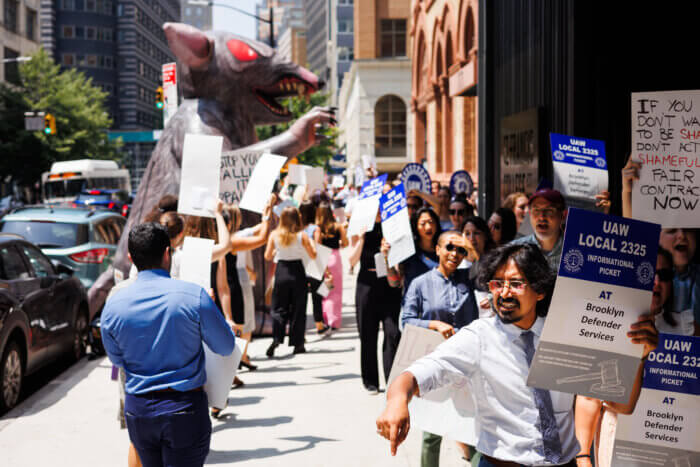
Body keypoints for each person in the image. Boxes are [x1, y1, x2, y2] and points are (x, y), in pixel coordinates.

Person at [376, 243, 658, 466]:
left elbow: (622, 405)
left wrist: (639, 357)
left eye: (515, 283)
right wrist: (397, 400)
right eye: (497, 283)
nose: (504, 292)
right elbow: (420, 372)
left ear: (539, 291)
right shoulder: (478, 338)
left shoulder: (568, 334)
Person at [101, 222, 236, 467]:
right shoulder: (193, 296)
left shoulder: (113, 305)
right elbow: (226, 346)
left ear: (131, 258)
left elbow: (117, 360)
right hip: (184, 409)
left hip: (139, 410)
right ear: (167, 253)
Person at [574, 246, 697, 467]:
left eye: (665, 276)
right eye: (649, 275)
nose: (657, 282)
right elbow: (589, 397)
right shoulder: (606, 323)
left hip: (672, 450)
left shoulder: (688, 328)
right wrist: (583, 457)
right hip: (621, 449)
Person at [400, 231, 479, 467]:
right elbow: (406, 320)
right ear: (437, 249)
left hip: (467, 362)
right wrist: (433, 324)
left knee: (471, 429)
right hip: (434, 362)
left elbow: (487, 269)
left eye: (460, 250)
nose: (455, 254)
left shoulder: (469, 278)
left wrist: (471, 249)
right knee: (431, 433)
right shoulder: (420, 283)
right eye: (449, 247)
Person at [621, 158, 700, 327]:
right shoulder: (646, 269)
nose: (682, 235)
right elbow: (632, 235)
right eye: (671, 230)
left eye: (689, 229)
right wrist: (627, 191)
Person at [349, 204, 402, 394]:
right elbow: (351, 260)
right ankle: (370, 381)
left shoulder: (393, 226)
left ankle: (392, 379)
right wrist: (361, 240)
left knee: (392, 332)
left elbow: (401, 258)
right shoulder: (359, 227)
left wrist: (389, 250)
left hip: (389, 284)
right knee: (368, 334)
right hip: (366, 283)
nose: (378, 210)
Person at [264, 206, 317, 357]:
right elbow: (313, 255)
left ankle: (277, 337)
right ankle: (298, 343)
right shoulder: (302, 235)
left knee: (278, 307)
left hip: (281, 271)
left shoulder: (274, 235)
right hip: (297, 271)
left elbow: (267, 256)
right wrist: (312, 244)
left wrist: (276, 251)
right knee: (299, 308)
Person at [383, 207, 442, 296]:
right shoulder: (407, 251)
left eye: (431, 222)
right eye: (423, 224)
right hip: (412, 305)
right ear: (416, 226)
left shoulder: (444, 249)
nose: (428, 227)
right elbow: (394, 282)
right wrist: (387, 258)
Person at [509, 188, 566, 272]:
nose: (542, 217)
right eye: (536, 210)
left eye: (549, 211)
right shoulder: (514, 250)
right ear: (530, 214)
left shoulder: (575, 250)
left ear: (563, 216)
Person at [315, 201, 349, 330]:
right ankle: (333, 320)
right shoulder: (338, 226)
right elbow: (345, 243)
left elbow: (317, 246)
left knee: (324, 290)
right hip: (334, 257)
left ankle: (324, 317)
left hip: (322, 257)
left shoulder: (317, 227)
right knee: (336, 290)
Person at [300, 199, 329, 335]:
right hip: (314, 266)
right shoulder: (315, 229)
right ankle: (319, 324)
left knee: (301, 300)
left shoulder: (297, 229)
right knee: (317, 297)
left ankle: (301, 331)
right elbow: (318, 248)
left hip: (300, 265)